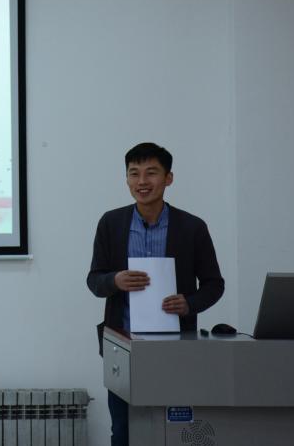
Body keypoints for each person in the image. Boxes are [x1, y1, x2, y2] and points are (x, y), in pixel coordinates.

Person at [87, 142, 224, 446]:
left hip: (177, 348)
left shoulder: (192, 227)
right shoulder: (111, 223)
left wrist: (189, 303)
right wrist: (115, 280)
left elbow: (214, 284)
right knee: (123, 431)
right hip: (124, 348)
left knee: (176, 429)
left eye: (151, 173)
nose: (142, 181)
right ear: (126, 179)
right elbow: (94, 280)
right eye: (133, 173)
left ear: (168, 178)